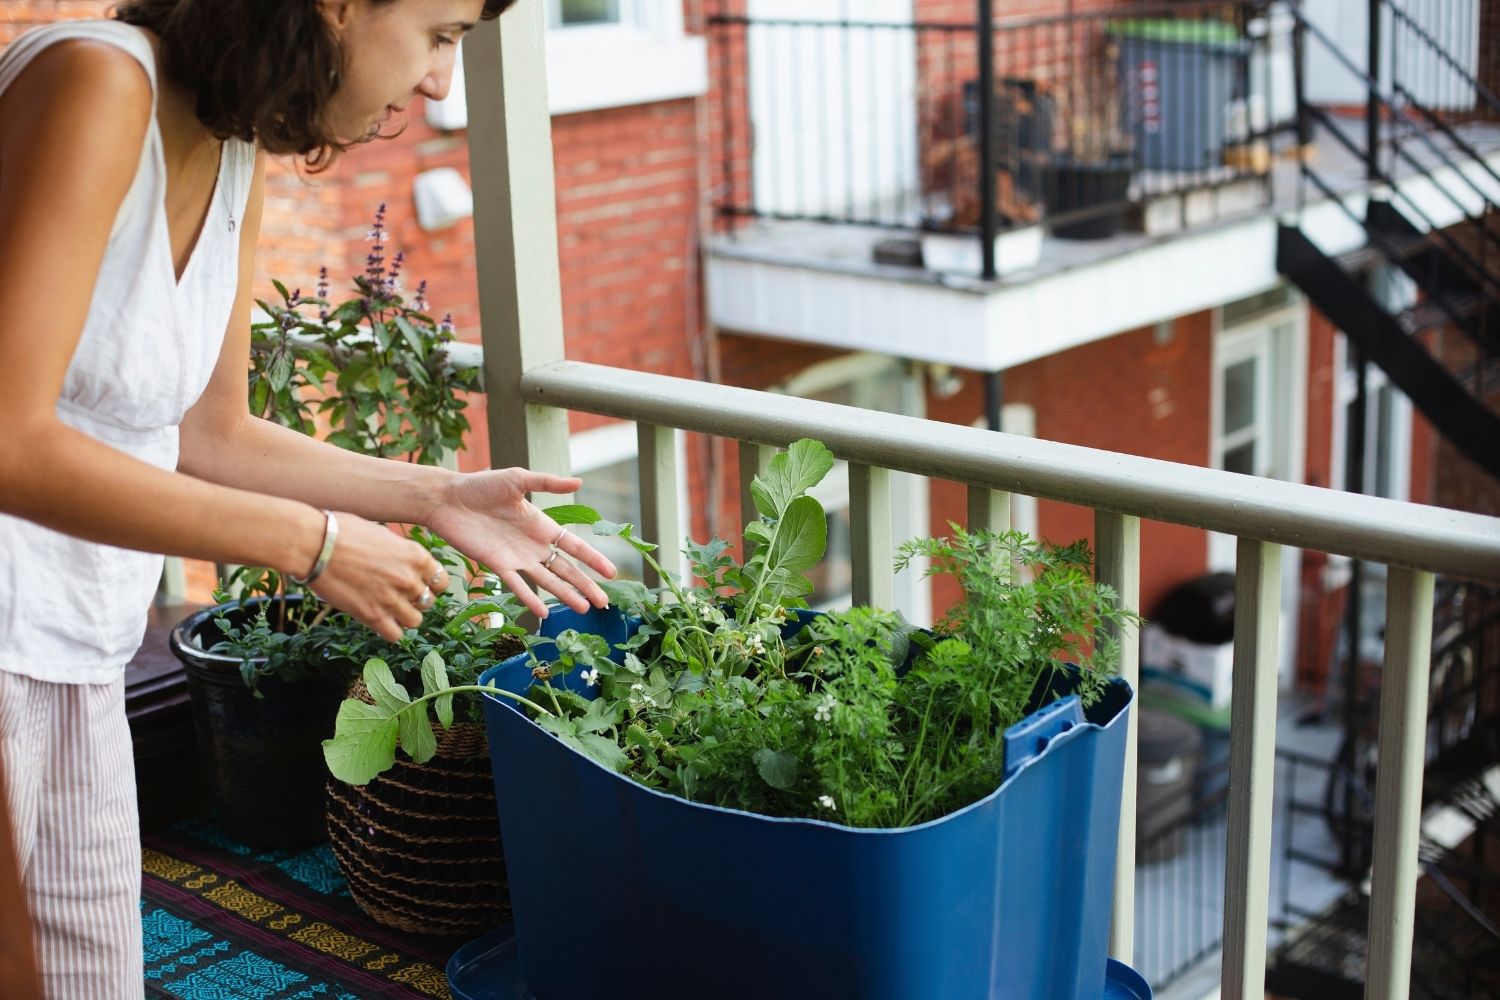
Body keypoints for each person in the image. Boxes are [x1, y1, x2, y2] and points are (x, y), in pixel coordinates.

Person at [0, 1, 617, 995]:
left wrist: (437, 493)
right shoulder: (96, 83)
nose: (439, 82)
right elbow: (8, 435)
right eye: (443, 33)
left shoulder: (228, 143)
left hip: (74, 656)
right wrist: (318, 544)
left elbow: (212, 434)